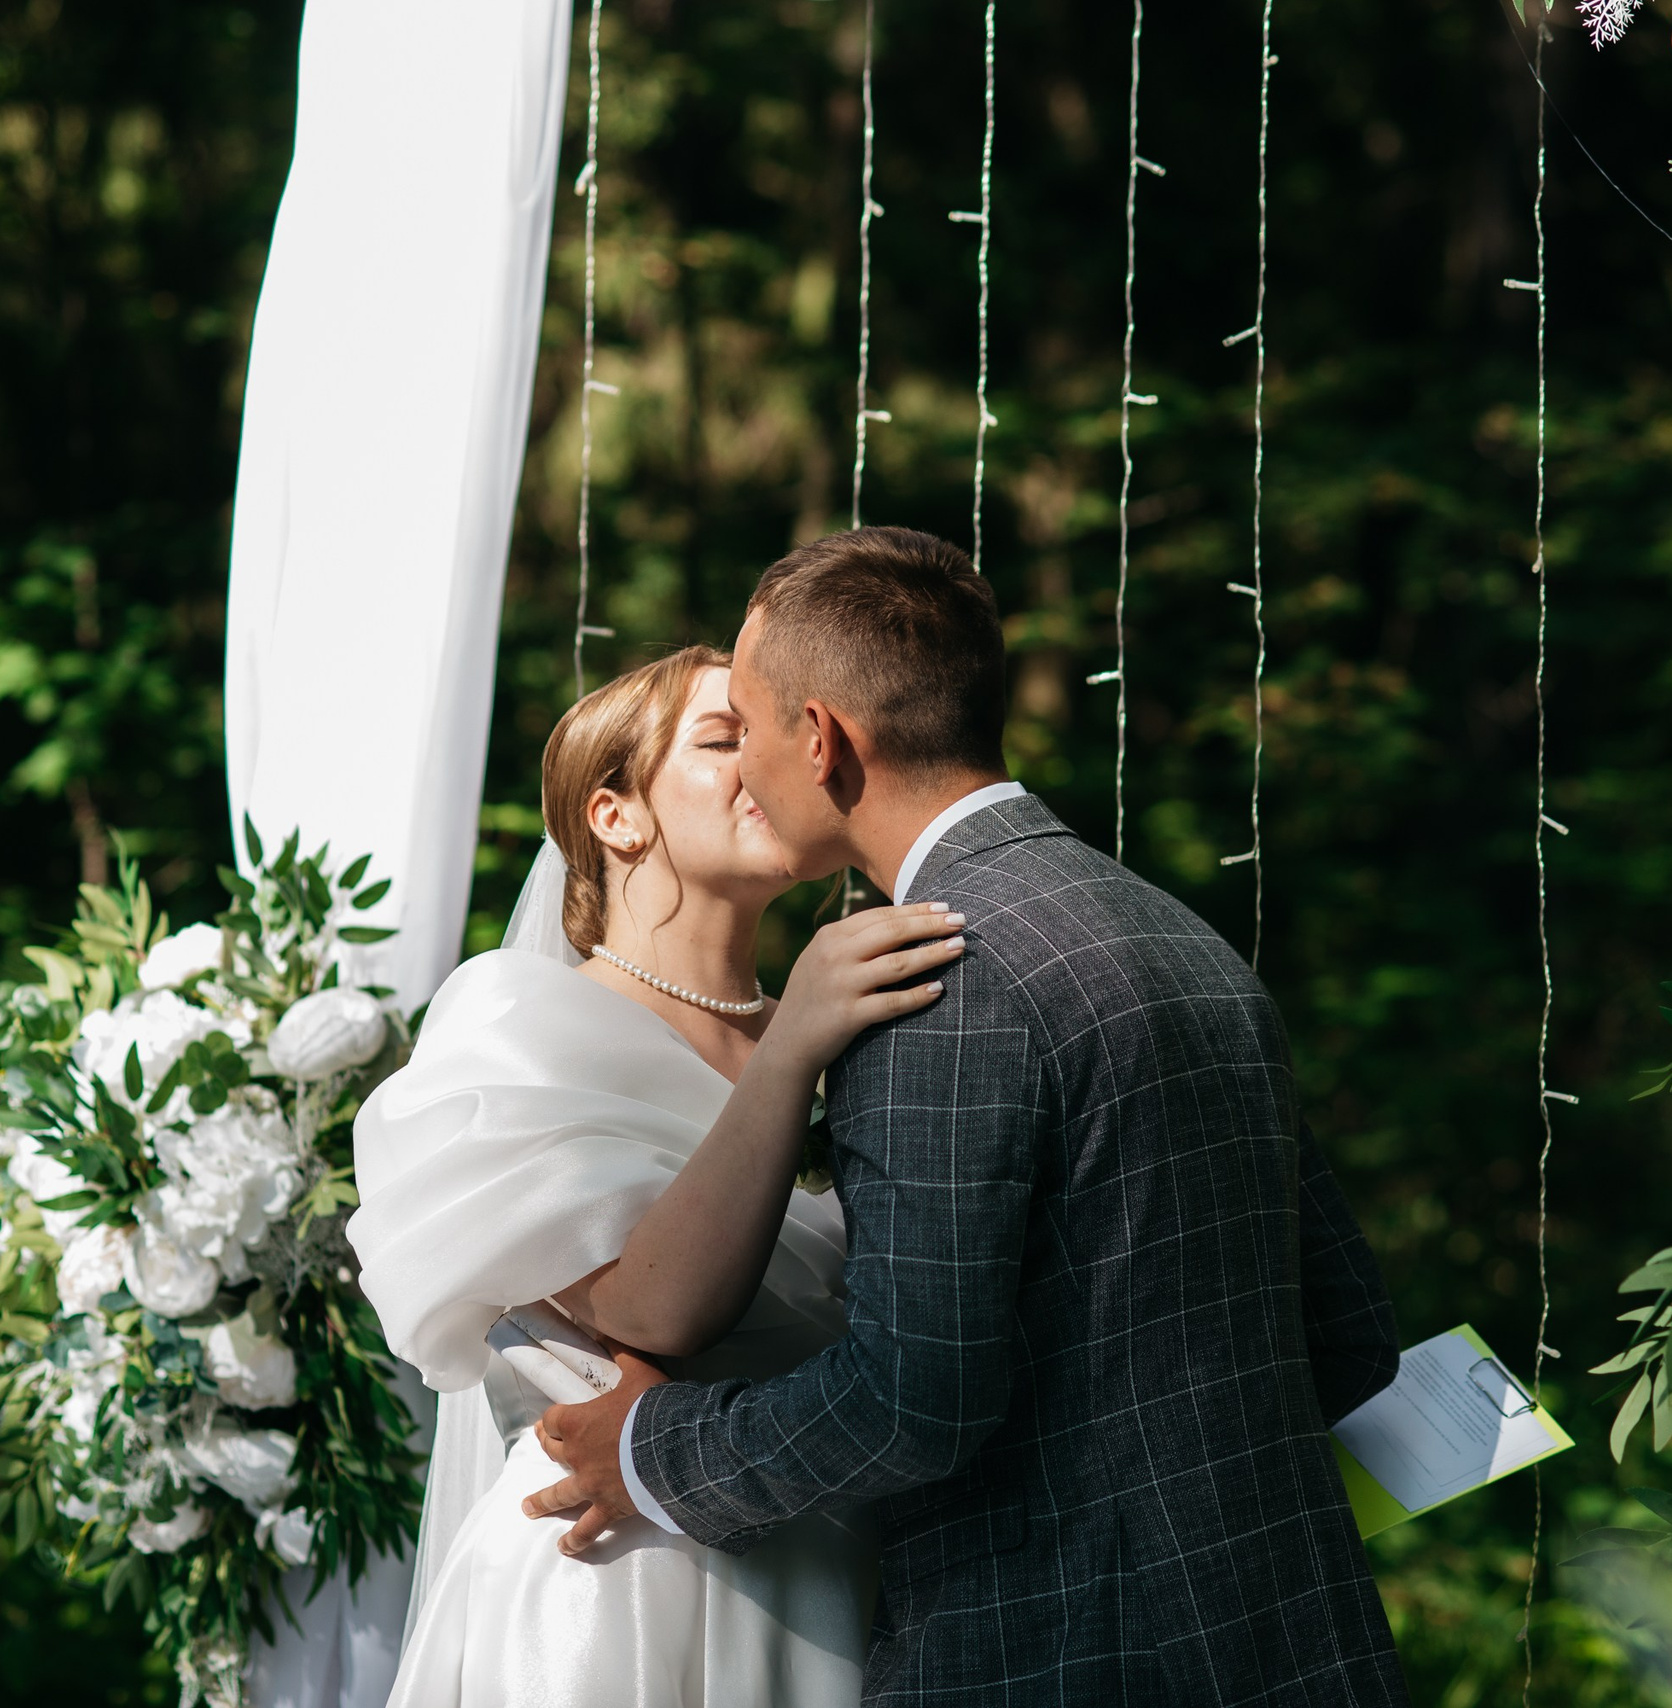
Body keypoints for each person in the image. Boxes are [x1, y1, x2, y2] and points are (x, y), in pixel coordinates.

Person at [523, 528, 1410, 1705]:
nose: (743, 766)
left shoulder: (935, 978)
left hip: (1065, 1662)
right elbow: (1347, 1337)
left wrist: (654, 1451)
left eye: (747, 720)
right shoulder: (1183, 939)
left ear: (820, 737)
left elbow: (912, 1402)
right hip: (1302, 1648)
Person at [348, 642, 966, 1707]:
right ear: (614, 816)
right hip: (616, 1591)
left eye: (776, 735)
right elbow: (655, 1307)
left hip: (840, 1576)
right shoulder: (514, 1019)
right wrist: (791, 1049)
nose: (768, 763)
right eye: (722, 739)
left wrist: (806, 1028)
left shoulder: (854, 1027)